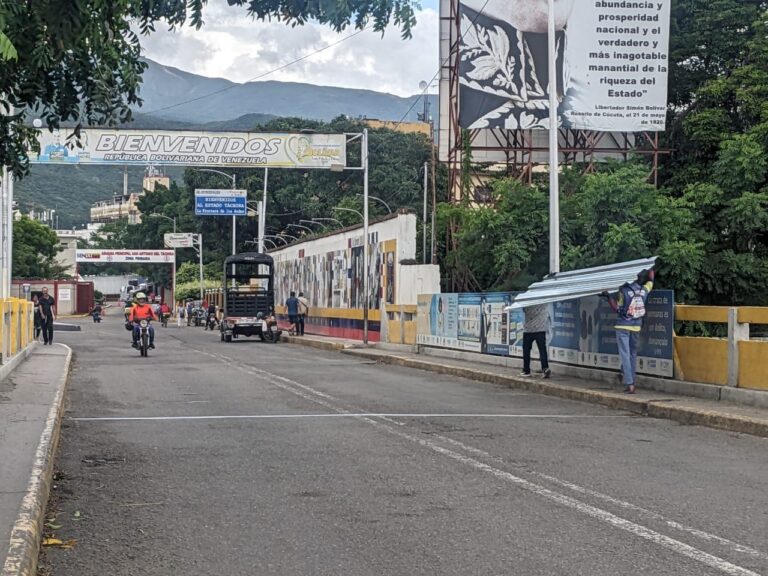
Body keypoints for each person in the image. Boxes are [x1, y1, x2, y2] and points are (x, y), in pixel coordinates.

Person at [604, 269, 655, 394]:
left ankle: (630, 383)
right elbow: (651, 280)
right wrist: (650, 267)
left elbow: (617, 309)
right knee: (632, 354)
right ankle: (632, 381)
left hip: (623, 326)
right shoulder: (644, 290)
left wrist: (609, 298)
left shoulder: (623, 291)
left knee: (625, 355)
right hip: (637, 326)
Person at [519, 303, 551, 378]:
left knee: (526, 351)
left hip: (528, 330)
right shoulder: (544, 303)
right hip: (541, 330)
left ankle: (526, 370)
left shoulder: (527, 304)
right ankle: (545, 368)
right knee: (542, 350)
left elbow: (524, 310)